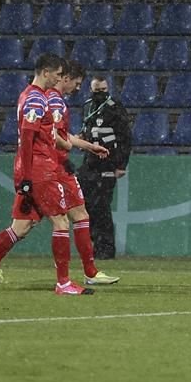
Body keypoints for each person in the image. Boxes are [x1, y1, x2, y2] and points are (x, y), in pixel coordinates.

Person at [0, 54, 95, 295]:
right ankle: (63, 283)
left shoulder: (30, 96)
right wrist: (28, 176)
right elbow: (28, 138)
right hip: (40, 169)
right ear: (46, 72)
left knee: (21, 227)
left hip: (33, 167)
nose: (60, 79)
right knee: (61, 221)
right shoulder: (35, 99)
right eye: (58, 74)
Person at [0, 60, 119, 287]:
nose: (76, 88)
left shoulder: (48, 98)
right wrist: (66, 147)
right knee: (65, 220)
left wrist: (88, 146)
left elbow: (56, 134)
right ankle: (74, 278)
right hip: (50, 168)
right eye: (75, 82)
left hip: (49, 166)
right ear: (64, 78)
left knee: (25, 225)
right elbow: (51, 135)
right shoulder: (51, 100)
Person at [77, 75, 131, 260]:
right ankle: (94, 243)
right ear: (91, 90)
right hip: (89, 161)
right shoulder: (87, 106)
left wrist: (121, 164)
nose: (100, 94)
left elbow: (125, 137)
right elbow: (87, 129)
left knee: (102, 207)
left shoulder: (115, 107)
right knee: (86, 205)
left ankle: (106, 248)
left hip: (108, 160)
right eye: (96, 90)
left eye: (103, 90)